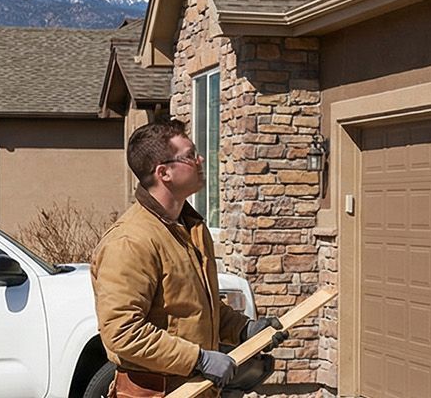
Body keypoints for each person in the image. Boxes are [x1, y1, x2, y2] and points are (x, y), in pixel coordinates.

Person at [92, 120, 286, 397]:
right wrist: (199, 359)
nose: (200, 159)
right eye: (190, 155)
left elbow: (194, 309)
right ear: (164, 172)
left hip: (197, 389)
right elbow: (122, 333)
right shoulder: (130, 241)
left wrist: (245, 329)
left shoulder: (191, 227)